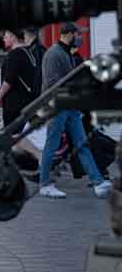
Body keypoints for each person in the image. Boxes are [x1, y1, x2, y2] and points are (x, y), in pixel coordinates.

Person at [38, 22, 111, 199]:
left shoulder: (66, 53)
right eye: (78, 35)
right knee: (52, 143)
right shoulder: (54, 54)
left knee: (82, 144)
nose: (80, 38)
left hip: (69, 106)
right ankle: (45, 183)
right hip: (57, 106)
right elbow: (51, 84)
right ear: (69, 34)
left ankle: (98, 182)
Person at [0, 30, 39, 138]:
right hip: (27, 101)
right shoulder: (28, 52)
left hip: (14, 103)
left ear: (13, 37)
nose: (3, 39)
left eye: (5, 36)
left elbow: (9, 79)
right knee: (23, 135)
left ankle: (25, 153)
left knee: (13, 135)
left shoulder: (15, 54)